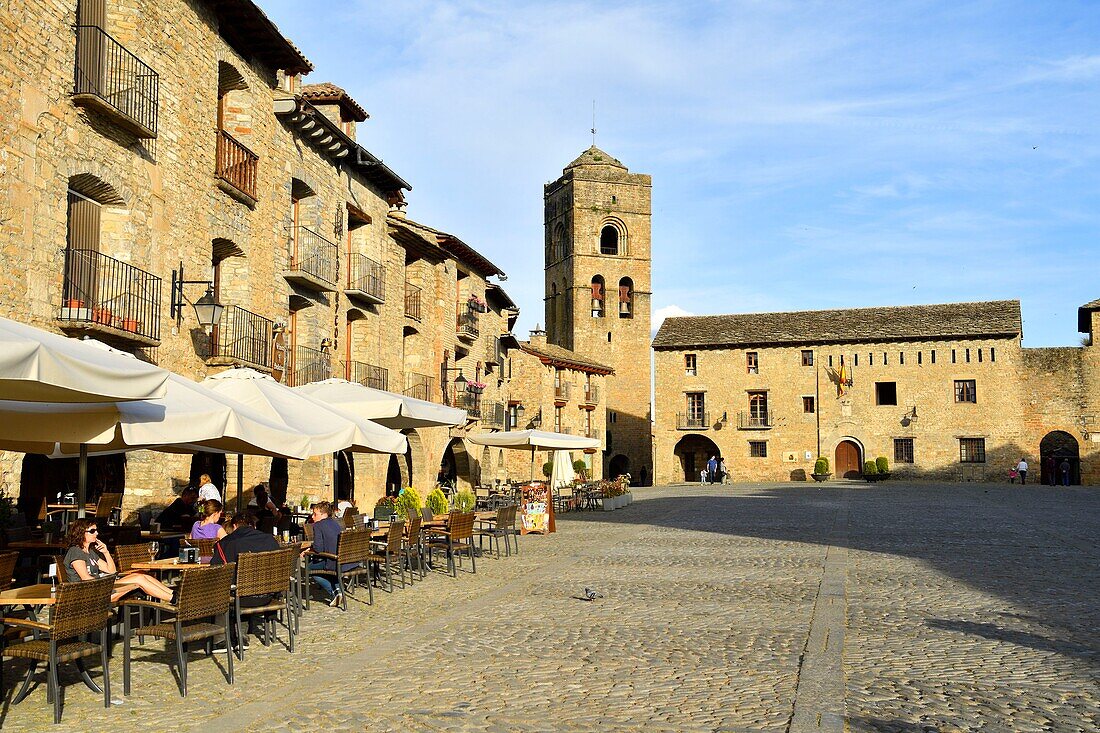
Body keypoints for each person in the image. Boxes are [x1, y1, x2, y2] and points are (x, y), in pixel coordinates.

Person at [210, 513, 281, 648]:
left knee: (223, 589)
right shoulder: (270, 540)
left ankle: (220, 640)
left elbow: (216, 572)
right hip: (268, 596)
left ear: (235, 526)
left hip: (241, 597)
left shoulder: (225, 543)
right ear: (253, 525)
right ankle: (241, 635)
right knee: (241, 587)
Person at [63, 518, 174, 602]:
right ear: (81, 533)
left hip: (100, 589)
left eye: (96, 530)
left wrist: (106, 552)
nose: (96, 533)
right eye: (92, 531)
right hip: (89, 595)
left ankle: (174, 594)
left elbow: (111, 571)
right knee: (138, 578)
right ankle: (173, 599)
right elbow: (86, 579)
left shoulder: (90, 552)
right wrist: (108, 583)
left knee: (141, 574)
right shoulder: (75, 552)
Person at [302, 501, 351, 607]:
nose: (312, 516)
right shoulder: (335, 523)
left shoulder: (318, 525)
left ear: (323, 515)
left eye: (315, 514)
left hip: (333, 561)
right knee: (324, 568)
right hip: (344, 560)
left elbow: (318, 549)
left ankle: (334, 592)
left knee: (309, 569)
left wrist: (309, 550)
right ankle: (338, 591)